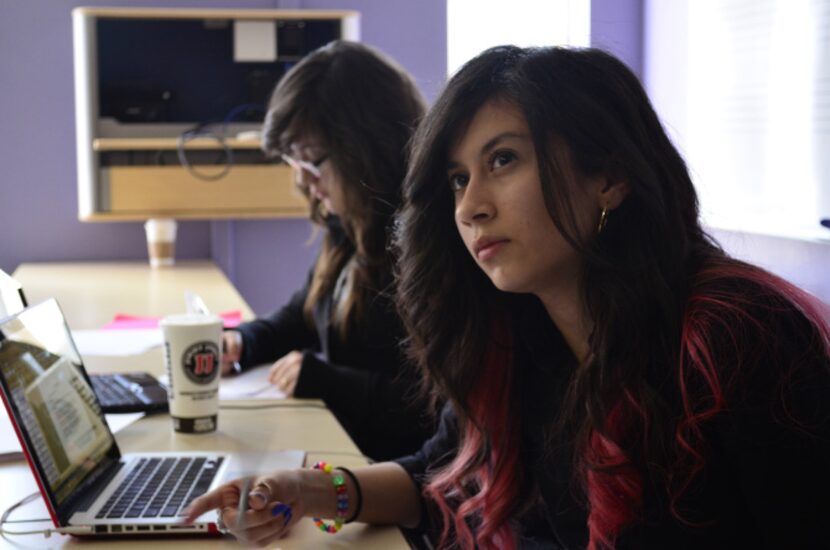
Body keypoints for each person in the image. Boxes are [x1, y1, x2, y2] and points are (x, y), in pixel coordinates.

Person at [186, 46, 830, 548]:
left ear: (609, 175)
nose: (470, 206)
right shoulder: (516, 328)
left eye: (503, 161)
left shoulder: (740, 335)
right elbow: (441, 474)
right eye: (459, 178)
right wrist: (312, 492)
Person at [220, 40, 434, 462]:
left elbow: (434, 409)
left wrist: (328, 382)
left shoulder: (426, 242)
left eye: (313, 160)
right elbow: (305, 313)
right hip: (350, 456)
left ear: (367, 148)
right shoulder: (351, 218)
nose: (304, 181)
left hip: (398, 475)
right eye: (294, 161)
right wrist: (242, 342)